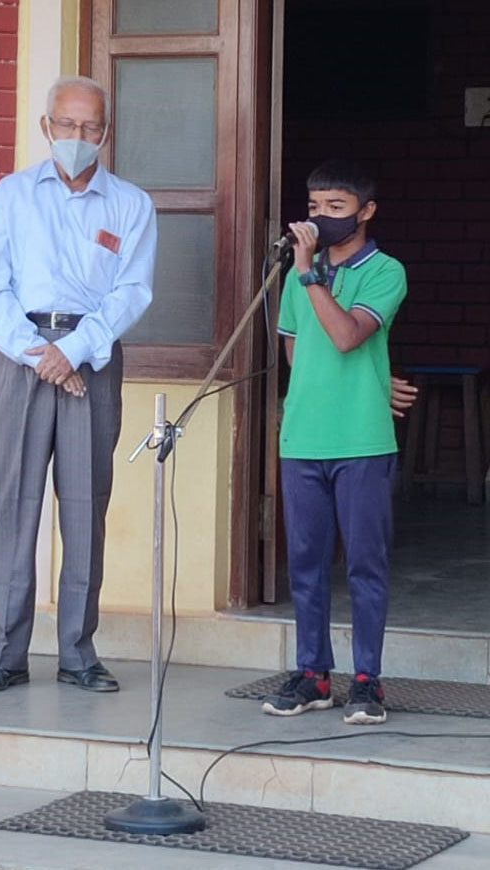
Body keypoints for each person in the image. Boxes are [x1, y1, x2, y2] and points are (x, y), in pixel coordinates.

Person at [0, 75, 157, 693]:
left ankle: (78, 653)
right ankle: (5, 653)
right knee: (13, 504)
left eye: (91, 127)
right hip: (22, 357)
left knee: (84, 507)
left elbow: (132, 291)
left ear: (106, 132)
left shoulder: (130, 204)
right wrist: (40, 354)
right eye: (67, 125)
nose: (78, 137)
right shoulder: (10, 196)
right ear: (47, 126)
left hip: (92, 358)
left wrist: (73, 350)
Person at [262, 158, 406, 725]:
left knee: (366, 563)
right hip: (303, 439)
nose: (321, 219)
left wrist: (310, 277)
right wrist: (306, 275)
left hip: (363, 440)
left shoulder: (385, 271)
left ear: (366, 212)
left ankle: (368, 680)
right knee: (306, 563)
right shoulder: (303, 273)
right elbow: (298, 354)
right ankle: (314, 674)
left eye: (337, 208)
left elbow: (347, 338)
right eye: (315, 207)